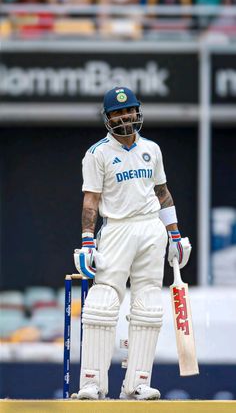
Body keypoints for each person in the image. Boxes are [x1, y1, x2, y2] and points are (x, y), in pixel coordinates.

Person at [74, 86, 191, 400]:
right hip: (117, 229)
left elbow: (162, 193)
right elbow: (91, 200)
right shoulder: (98, 153)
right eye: (117, 113)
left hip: (151, 229)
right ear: (108, 118)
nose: (124, 117)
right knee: (102, 303)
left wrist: (175, 236)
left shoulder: (152, 148)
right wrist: (87, 241)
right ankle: (92, 384)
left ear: (137, 112)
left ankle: (137, 383)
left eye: (129, 111)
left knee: (149, 305)